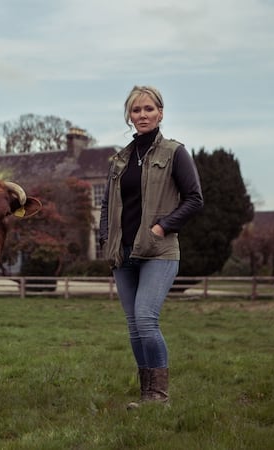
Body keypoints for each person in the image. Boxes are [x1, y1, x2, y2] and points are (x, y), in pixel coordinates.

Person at [98, 85, 204, 408]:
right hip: (123, 255)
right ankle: (146, 394)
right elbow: (106, 207)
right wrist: (106, 240)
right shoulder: (119, 160)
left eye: (148, 109)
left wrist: (162, 226)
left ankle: (159, 398)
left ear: (160, 113)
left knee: (146, 319)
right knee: (134, 328)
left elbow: (195, 199)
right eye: (136, 110)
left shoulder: (174, 153)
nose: (142, 115)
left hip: (159, 252)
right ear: (129, 116)